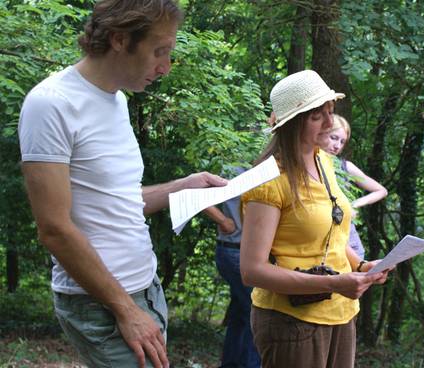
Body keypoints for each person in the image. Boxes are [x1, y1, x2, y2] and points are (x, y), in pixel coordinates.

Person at [18, 1, 227, 367]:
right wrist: (125, 310)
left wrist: (184, 186)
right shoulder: (52, 104)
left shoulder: (115, 101)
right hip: (105, 305)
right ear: (119, 39)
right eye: (159, 52)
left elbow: (118, 201)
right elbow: (54, 229)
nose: (166, 67)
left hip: (144, 290)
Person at [239, 70, 390, 368]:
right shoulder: (269, 181)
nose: (330, 122)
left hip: (341, 313)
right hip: (292, 321)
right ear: (293, 123)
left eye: (330, 111)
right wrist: (337, 284)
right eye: (316, 115)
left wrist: (360, 266)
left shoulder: (324, 161)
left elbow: (332, 235)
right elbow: (252, 271)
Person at [203, 167, 261, 368]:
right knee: (257, 314)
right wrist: (222, 220)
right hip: (235, 251)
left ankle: (231, 364)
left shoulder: (269, 166)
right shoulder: (234, 164)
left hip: (241, 252)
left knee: (240, 313)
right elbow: (196, 193)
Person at [319, 114, 388, 259]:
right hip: (321, 241)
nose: (337, 145)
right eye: (334, 138)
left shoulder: (345, 167)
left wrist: (353, 205)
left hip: (349, 241)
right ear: (320, 133)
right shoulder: (304, 166)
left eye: (342, 141)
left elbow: (381, 190)